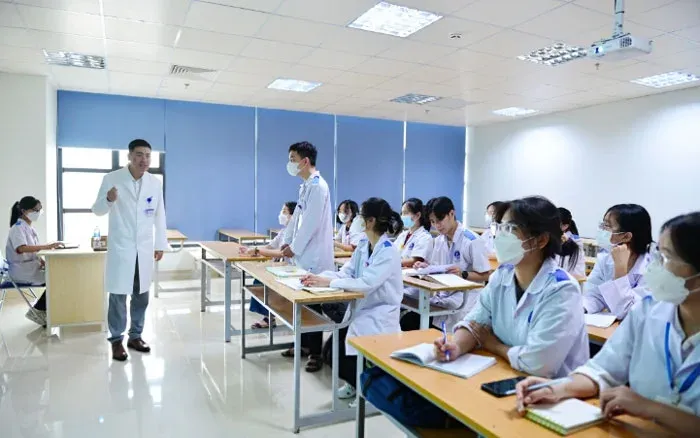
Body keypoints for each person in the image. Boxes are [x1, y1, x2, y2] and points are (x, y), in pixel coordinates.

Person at [516, 212, 700, 434]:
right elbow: (602, 370)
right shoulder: (648, 311)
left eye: (666, 257)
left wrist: (652, 408)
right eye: (657, 253)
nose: (656, 265)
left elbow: (622, 307)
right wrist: (557, 388)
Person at [434, 196, 589, 378]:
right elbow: (475, 323)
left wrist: (493, 345)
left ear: (540, 240)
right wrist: (456, 346)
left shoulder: (562, 290)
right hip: (507, 373)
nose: (500, 236)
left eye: (511, 229)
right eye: (500, 227)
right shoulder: (502, 275)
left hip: (551, 387)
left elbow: (539, 364)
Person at [302, 198, 403, 402]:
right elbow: (346, 272)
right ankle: (355, 384)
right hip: (360, 310)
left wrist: (328, 283)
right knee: (330, 353)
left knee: (341, 355)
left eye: (361, 216)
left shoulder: (388, 251)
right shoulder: (364, 245)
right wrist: (320, 278)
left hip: (379, 315)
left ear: (371, 221)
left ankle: (366, 393)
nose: (357, 219)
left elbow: (366, 283)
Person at [92, 139, 168, 362]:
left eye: (147, 155)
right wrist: (108, 199)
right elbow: (97, 210)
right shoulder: (112, 178)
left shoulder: (154, 183)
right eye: (139, 154)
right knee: (118, 296)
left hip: (143, 247)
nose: (144, 159)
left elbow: (159, 214)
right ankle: (116, 340)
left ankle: (135, 336)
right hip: (121, 247)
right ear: (129, 156)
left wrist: (160, 243)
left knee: (141, 295)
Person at [279, 141, 337, 372]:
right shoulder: (306, 186)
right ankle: (303, 344)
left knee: (313, 306)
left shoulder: (318, 186)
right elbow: (297, 220)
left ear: (305, 161)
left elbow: (311, 223)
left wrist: (294, 247)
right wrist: (287, 241)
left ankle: (316, 353)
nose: (290, 163)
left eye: (292, 159)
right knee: (302, 304)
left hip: (314, 257)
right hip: (303, 255)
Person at [400, 196, 490, 331]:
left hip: (465, 298)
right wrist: (426, 267)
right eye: (433, 222)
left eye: (440, 220)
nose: (437, 226)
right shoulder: (439, 241)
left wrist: (463, 274)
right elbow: (437, 267)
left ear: (451, 214)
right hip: (443, 294)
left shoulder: (471, 240)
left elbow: (486, 275)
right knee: (409, 320)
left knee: (425, 324)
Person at [583, 204, 653, 319]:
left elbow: (629, 312)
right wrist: (582, 308)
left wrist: (620, 270)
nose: (602, 230)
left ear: (626, 236)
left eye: (607, 226)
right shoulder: (606, 258)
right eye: (602, 224)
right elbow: (594, 295)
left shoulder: (652, 267)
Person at [4, 196, 62, 326]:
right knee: (57, 279)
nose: (38, 213)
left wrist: (42, 261)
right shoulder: (17, 228)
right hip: (21, 271)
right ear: (24, 211)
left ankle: (44, 310)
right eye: (35, 210)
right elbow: (21, 248)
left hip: (29, 267)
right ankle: (38, 311)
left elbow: (33, 251)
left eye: (40, 209)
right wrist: (47, 246)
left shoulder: (29, 228)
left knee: (58, 276)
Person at [239, 201, 296, 329]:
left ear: (293, 215)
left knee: (261, 282)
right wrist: (250, 249)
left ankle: (271, 316)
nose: (281, 214)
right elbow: (270, 246)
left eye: (284, 212)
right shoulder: (284, 231)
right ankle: (268, 317)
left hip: (290, 268)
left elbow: (282, 253)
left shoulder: (295, 232)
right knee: (259, 280)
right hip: (280, 266)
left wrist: (257, 251)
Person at [395, 198, 433, 268]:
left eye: (405, 213)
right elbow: (392, 253)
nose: (402, 216)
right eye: (402, 213)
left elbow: (415, 260)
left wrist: (393, 262)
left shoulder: (425, 237)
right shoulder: (402, 235)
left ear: (418, 215)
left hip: (414, 273)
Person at [554, 207, 585, 278]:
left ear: (565, 226)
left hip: (571, 278)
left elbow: (574, 271)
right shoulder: (552, 237)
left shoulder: (575, 242)